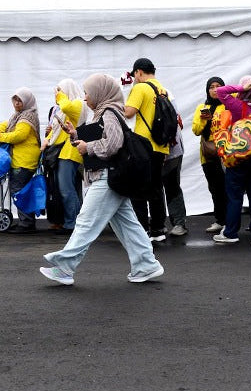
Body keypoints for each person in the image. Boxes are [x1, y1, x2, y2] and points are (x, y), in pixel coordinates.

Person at [39, 73, 164, 286]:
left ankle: (65, 268)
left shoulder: (108, 112)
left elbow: (113, 143)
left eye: (88, 92)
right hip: (111, 176)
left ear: (100, 92)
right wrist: (75, 136)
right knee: (128, 224)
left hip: (107, 176)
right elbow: (100, 141)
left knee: (86, 222)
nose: (85, 97)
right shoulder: (105, 112)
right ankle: (146, 265)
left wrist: (88, 147)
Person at [212, 76, 251, 244]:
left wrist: (241, 87)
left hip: (239, 155)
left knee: (235, 196)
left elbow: (221, 91)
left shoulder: (238, 107)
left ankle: (231, 233)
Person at [123, 58, 170, 242]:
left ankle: (142, 230)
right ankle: (159, 229)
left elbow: (128, 112)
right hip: (161, 145)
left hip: (143, 145)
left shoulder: (140, 87)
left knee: (139, 188)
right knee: (157, 187)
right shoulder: (162, 89)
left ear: (139, 72)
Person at [0, 88, 42, 234]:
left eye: (20, 100)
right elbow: (4, 125)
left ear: (27, 101)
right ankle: (26, 221)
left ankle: (26, 224)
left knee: (19, 191)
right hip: (22, 160)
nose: (16, 103)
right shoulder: (18, 116)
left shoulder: (27, 117)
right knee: (21, 190)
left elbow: (19, 135)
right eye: (15, 100)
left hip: (24, 161)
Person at [43, 79, 86, 234]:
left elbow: (67, 106)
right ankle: (73, 222)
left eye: (60, 90)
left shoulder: (78, 104)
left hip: (71, 152)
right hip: (63, 152)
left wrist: (60, 95)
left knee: (67, 190)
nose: (57, 94)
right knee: (69, 189)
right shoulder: (62, 109)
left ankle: (72, 224)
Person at [192, 77, 228, 234]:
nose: (214, 90)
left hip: (225, 153)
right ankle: (219, 220)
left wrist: (213, 120)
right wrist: (203, 120)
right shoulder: (202, 107)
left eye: (218, 86)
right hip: (207, 154)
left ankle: (229, 221)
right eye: (211, 87)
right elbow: (196, 130)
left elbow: (230, 127)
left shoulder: (228, 106)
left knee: (226, 187)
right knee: (214, 188)